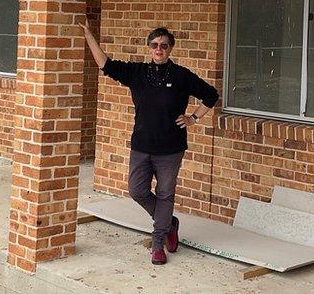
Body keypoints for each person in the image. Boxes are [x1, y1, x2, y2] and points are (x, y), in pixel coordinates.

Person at [80, 21, 219, 265]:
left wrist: (193, 118)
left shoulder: (181, 76)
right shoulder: (138, 73)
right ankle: (169, 223)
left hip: (171, 148)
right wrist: (89, 34)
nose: (159, 49)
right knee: (137, 190)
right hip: (142, 146)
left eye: (164, 45)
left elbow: (211, 95)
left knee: (165, 194)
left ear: (170, 49)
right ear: (149, 47)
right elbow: (105, 64)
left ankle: (158, 244)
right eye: (155, 45)